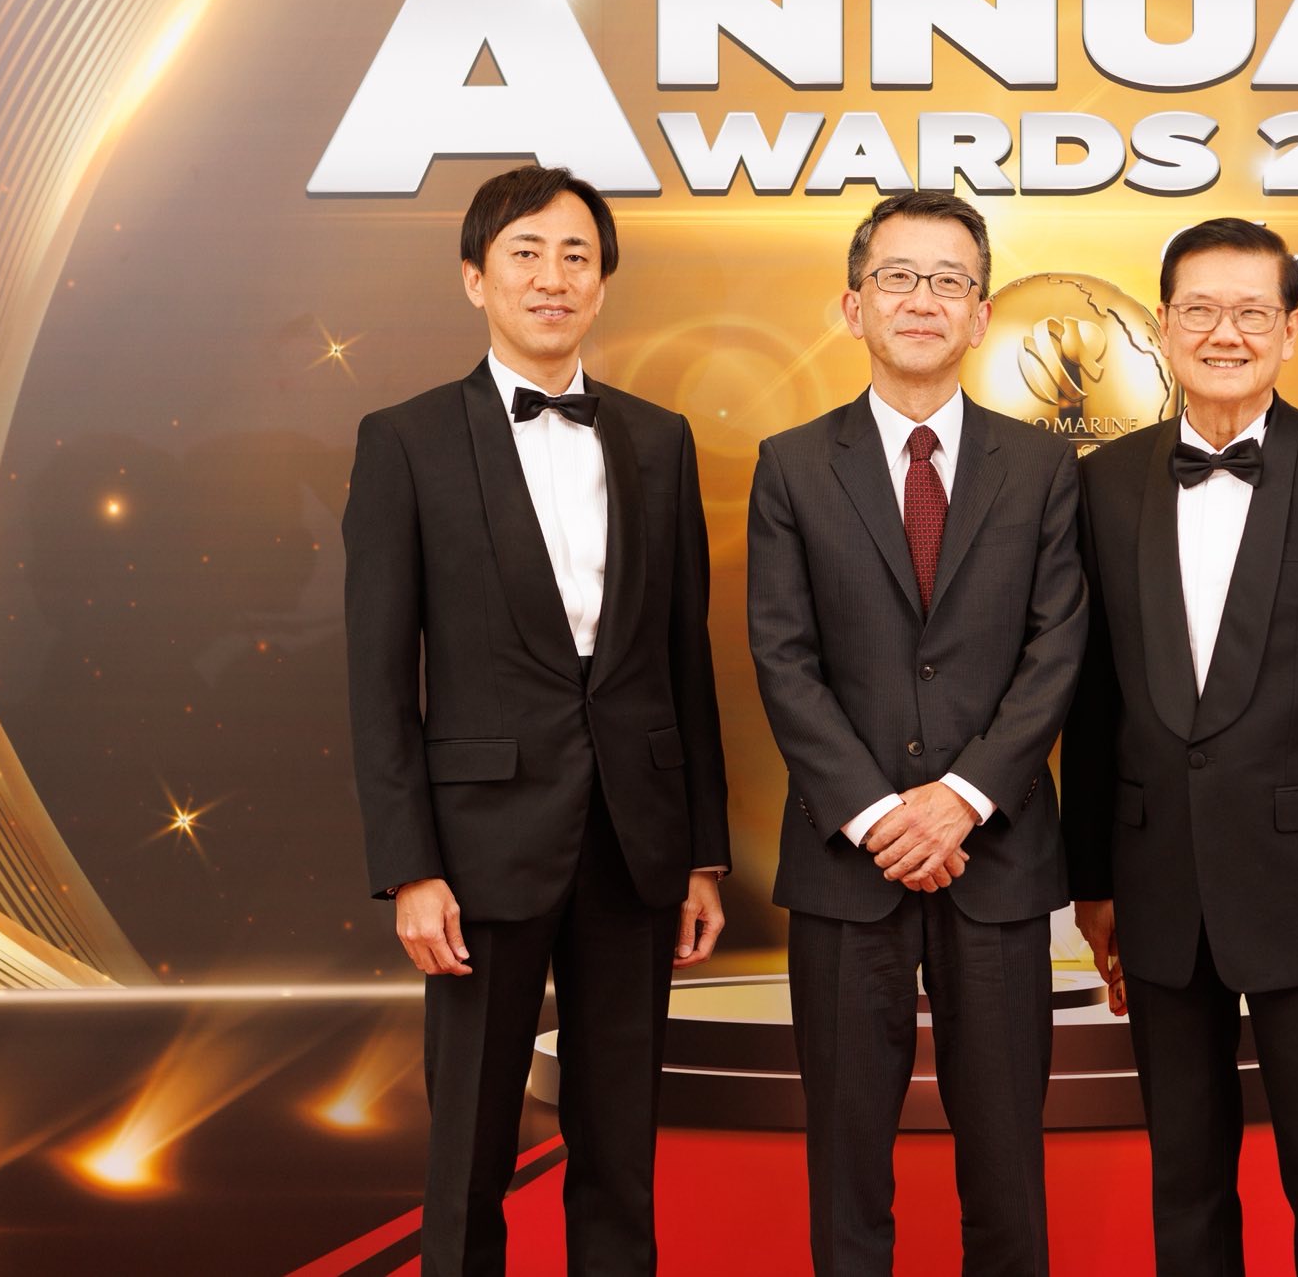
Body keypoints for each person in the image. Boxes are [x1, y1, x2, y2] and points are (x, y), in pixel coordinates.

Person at [343, 163, 731, 1276]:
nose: (552, 278)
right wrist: (410, 868)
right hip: (477, 852)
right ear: (475, 277)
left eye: (576, 257)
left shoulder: (658, 439)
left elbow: (684, 659)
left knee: (620, 1147)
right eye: (526, 254)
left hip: (634, 841)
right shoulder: (406, 440)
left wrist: (700, 854)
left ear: (601, 282)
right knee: (468, 1150)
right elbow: (379, 678)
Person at [1061, 218, 1298, 1276]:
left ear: (1290, 328)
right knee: (1183, 1174)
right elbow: (1091, 702)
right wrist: (1093, 880)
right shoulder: (1104, 481)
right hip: (1155, 886)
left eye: (1250, 312)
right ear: (1161, 323)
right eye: (1198, 310)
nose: (1222, 334)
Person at [746, 191, 1087, 1276]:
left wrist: (961, 800)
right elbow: (782, 657)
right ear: (853, 306)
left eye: (949, 281)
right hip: (847, 864)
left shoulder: (1042, 467)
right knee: (847, 1162)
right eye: (897, 276)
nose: (922, 300)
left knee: (1007, 1158)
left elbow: (1057, 650)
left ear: (981, 315)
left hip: (999, 857)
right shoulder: (792, 463)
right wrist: (880, 815)